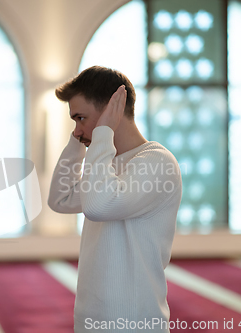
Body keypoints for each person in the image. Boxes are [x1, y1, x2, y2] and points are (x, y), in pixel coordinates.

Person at [48, 66, 182, 333]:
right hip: (91, 318)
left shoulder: (156, 162)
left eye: (81, 118)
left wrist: (102, 134)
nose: (77, 130)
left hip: (134, 321)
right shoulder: (107, 163)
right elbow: (60, 199)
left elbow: (98, 206)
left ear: (113, 110)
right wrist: (78, 144)